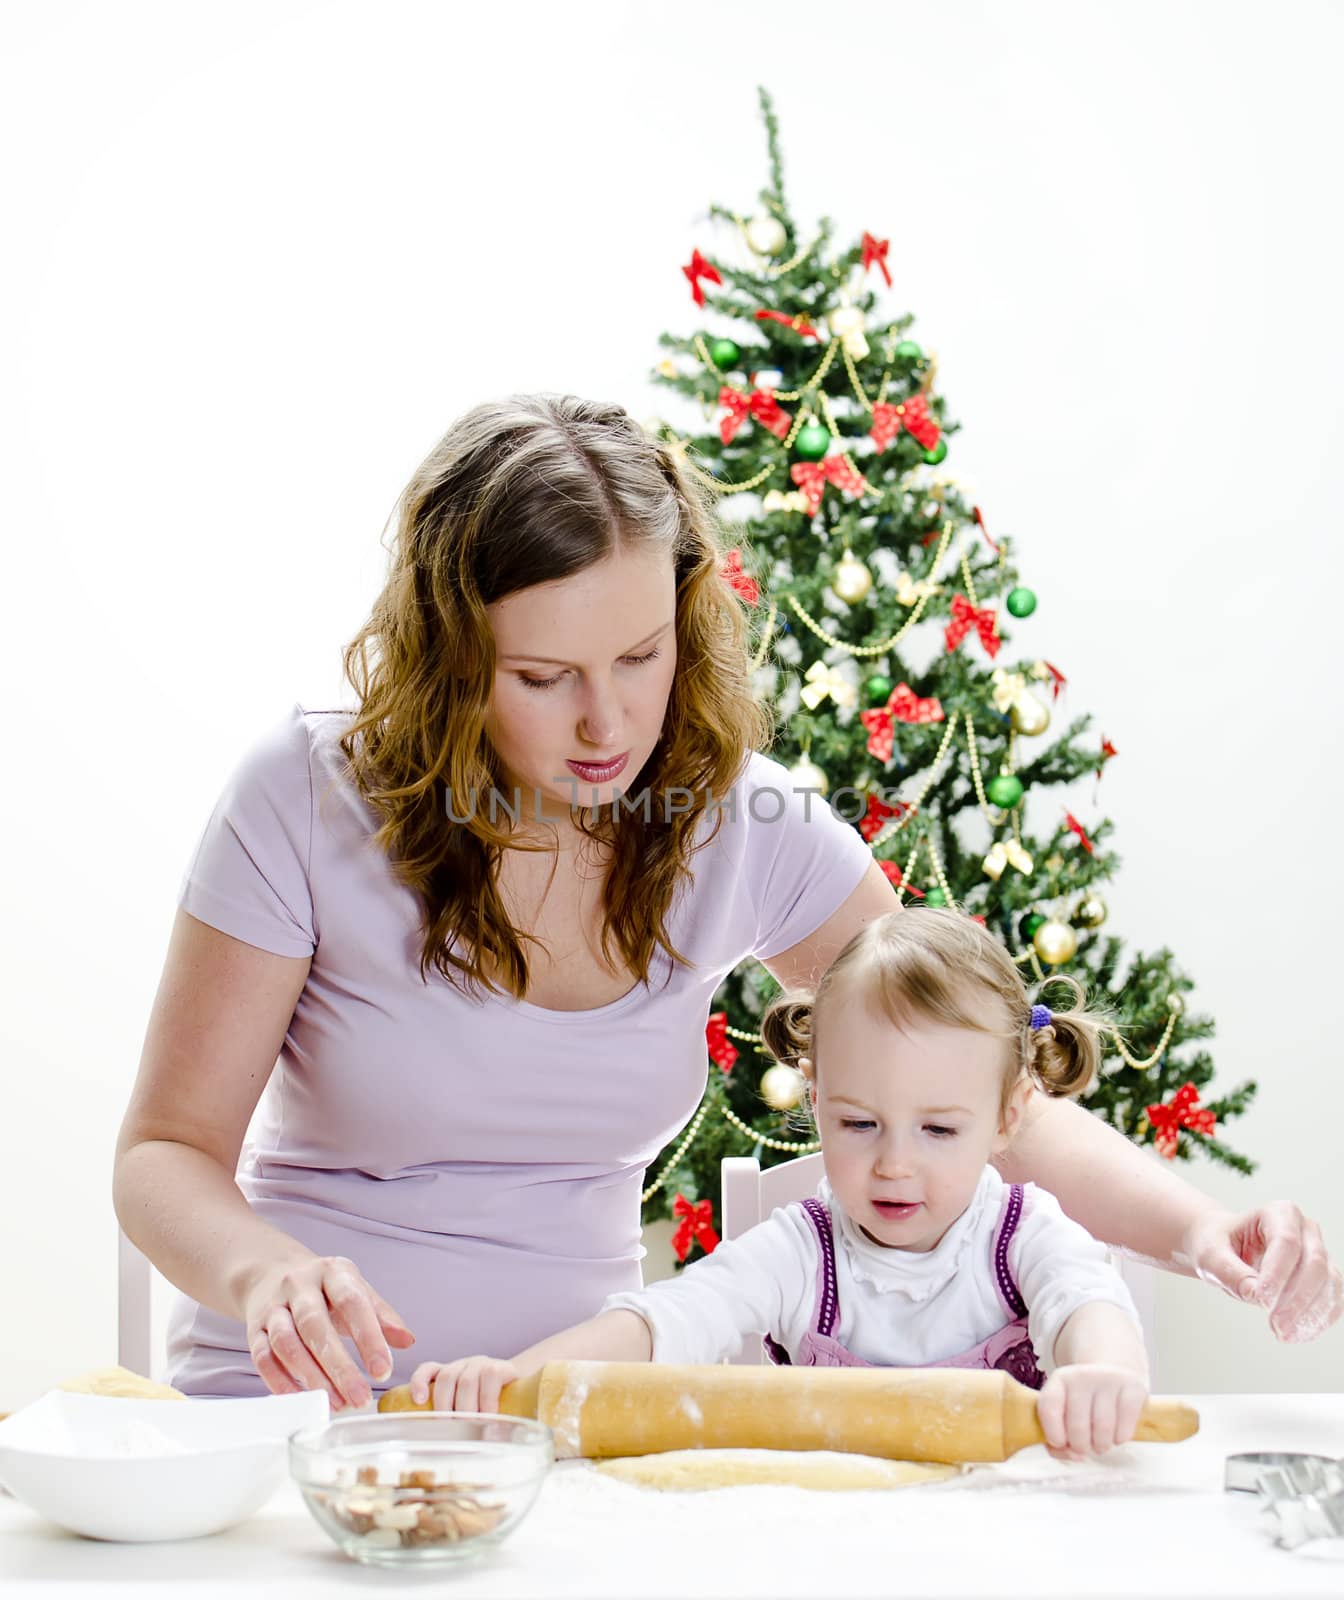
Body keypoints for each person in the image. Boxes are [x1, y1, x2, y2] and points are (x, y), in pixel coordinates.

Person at [113, 393, 1341, 1414]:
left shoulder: (730, 820)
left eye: (640, 658)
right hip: (292, 1420)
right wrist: (265, 1274)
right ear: (450, 657)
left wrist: (1201, 1233)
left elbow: (978, 1084)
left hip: (576, 1422)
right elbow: (164, 1154)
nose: (608, 725)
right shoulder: (306, 800)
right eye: (543, 677)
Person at [402, 908, 1152, 1458]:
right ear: (816, 1096)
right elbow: (669, 1320)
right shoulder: (803, 1252)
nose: (895, 1164)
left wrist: (1104, 1376)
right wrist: (516, 1378)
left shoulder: (1022, 1234)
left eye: (939, 1131)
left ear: (1008, 1117)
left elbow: (1086, 1302)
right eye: (859, 1125)